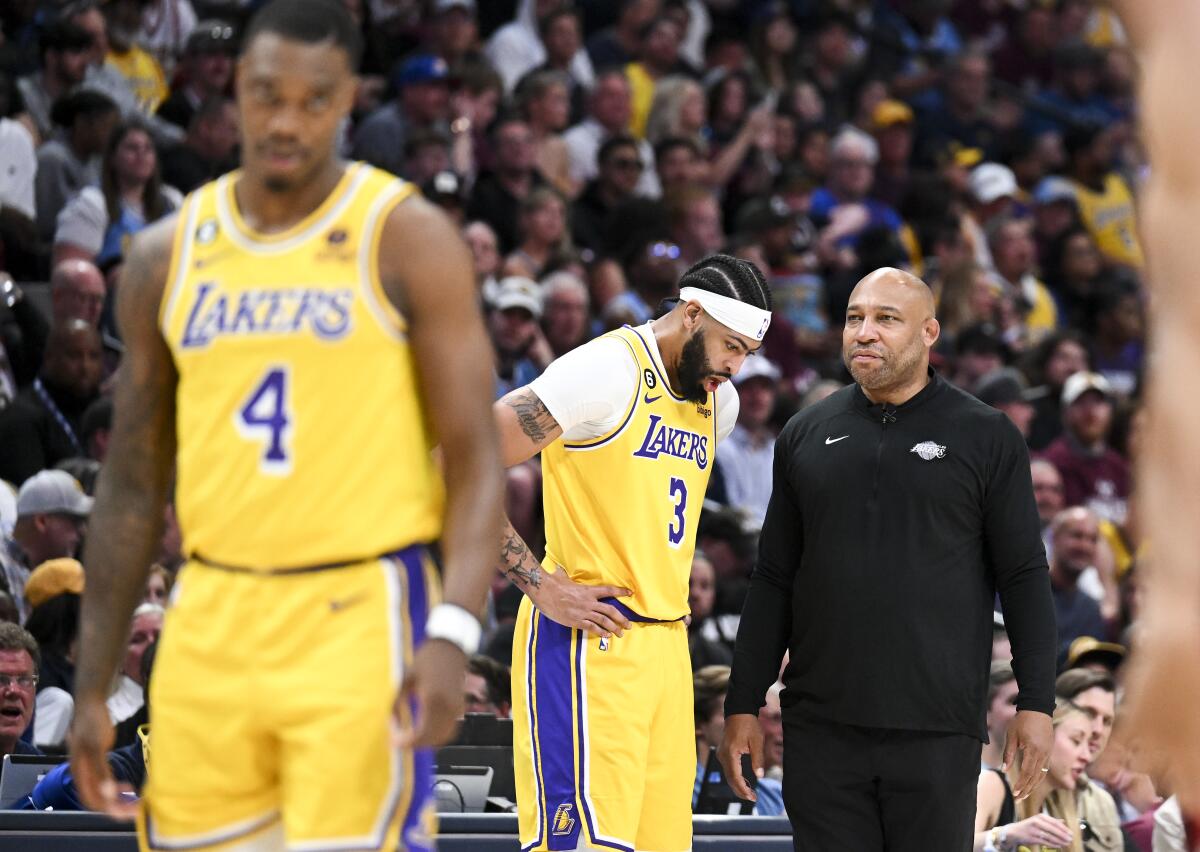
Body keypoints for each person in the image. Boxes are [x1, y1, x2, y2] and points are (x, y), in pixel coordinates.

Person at [67, 5, 504, 852]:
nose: (286, 120)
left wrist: (453, 628)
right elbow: (129, 480)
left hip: (359, 612)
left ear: (347, 101)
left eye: (313, 100)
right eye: (267, 95)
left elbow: (476, 460)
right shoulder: (166, 254)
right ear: (234, 89)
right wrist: (92, 682)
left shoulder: (407, 238)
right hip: (209, 611)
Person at [720, 267, 1058, 849]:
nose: (864, 333)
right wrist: (742, 703)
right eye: (855, 318)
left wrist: (1037, 704)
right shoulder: (805, 432)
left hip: (937, 727)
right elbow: (773, 578)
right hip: (822, 728)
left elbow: (1024, 575)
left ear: (928, 333)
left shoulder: (986, 435)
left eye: (885, 319)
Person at [494, 254, 772, 852]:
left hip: (668, 646)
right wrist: (541, 584)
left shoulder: (716, 402)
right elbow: (455, 466)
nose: (736, 366)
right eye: (730, 346)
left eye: (747, 352)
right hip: (586, 643)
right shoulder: (604, 371)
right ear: (691, 314)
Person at [973, 699, 1092, 852]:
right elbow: (954, 843)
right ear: (1043, 738)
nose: (1086, 756)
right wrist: (1004, 835)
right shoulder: (993, 784)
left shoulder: (1059, 807)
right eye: (1076, 741)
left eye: (1089, 746)